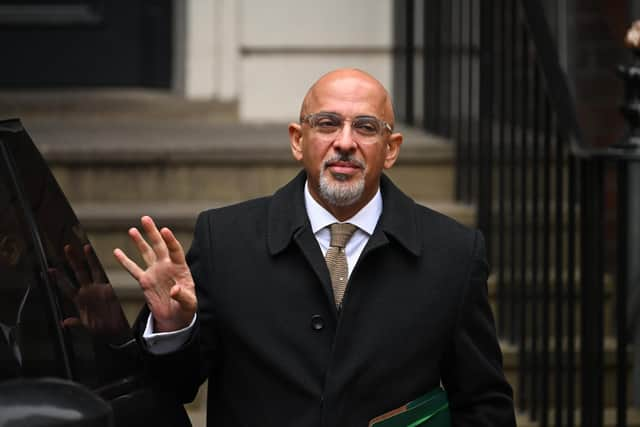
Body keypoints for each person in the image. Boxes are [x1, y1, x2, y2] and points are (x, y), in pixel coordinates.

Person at [113, 68, 516, 426]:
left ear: (390, 149)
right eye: (327, 124)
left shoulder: (453, 254)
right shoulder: (226, 239)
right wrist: (173, 327)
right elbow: (174, 388)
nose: (345, 142)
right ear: (297, 140)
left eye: (365, 127)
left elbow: (483, 404)